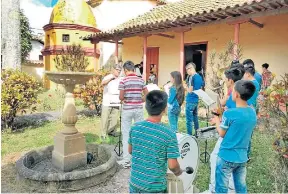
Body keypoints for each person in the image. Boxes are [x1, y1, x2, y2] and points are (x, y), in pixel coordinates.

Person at [128, 90, 182, 193]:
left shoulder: (135, 127)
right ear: (165, 109)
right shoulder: (168, 134)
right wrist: (178, 172)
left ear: (146, 107)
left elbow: (130, 150)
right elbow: (172, 165)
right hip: (154, 189)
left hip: (135, 184)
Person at [211, 80, 257, 193]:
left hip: (226, 156)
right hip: (241, 157)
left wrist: (217, 120)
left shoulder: (229, 114)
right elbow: (239, 126)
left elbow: (222, 133)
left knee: (221, 188)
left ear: (236, 94)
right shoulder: (252, 112)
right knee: (241, 187)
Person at [209, 63, 244, 193]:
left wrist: (218, 119)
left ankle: (215, 188)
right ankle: (232, 187)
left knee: (215, 158)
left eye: (225, 79)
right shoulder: (240, 93)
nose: (224, 81)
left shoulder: (233, 95)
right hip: (237, 134)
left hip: (228, 133)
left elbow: (223, 130)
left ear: (230, 80)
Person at [117, 61, 148, 168]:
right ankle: (139, 159)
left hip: (127, 110)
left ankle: (127, 161)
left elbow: (121, 97)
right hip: (138, 109)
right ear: (134, 70)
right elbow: (147, 95)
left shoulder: (123, 81)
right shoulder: (141, 80)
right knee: (139, 133)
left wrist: (127, 98)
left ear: (125, 71)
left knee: (126, 135)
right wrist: (140, 100)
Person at [100, 64, 122, 140]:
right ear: (113, 70)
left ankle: (111, 131)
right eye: (117, 70)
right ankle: (103, 134)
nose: (118, 72)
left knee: (114, 118)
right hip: (107, 101)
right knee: (105, 118)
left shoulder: (120, 79)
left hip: (116, 101)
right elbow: (102, 84)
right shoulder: (108, 77)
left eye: (119, 70)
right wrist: (111, 79)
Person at [243, 65, 260, 160]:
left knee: (247, 133)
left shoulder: (252, 84)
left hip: (250, 109)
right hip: (251, 108)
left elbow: (249, 99)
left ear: (248, 74)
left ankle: (246, 155)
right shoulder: (255, 83)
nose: (243, 76)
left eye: (244, 74)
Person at [185, 62, 203, 136]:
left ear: (191, 68)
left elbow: (190, 90)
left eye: (187, 70)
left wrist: (185, 87)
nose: (187, 71)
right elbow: (201, 88)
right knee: (195, 118)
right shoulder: (199, 77)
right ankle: (197, 134)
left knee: (189, 120)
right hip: (196, 100)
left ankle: (189, 135)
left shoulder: (192, 77)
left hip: (190, 100)